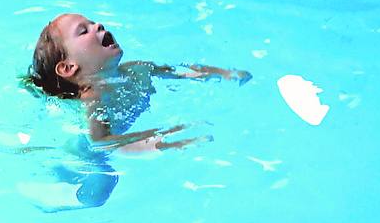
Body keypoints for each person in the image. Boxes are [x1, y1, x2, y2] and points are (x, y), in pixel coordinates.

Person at [20, 13, 251, 209]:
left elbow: (181, 71)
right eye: (83, 31)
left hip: (108, 138)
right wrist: (162, 141)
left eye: (93, 23)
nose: (98, 25)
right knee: (99, 190)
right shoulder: (93, 99)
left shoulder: (138, 69)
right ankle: (60, 180)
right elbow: (103, 143)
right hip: (85, 151)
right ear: (69, 68)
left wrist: (222, 73)